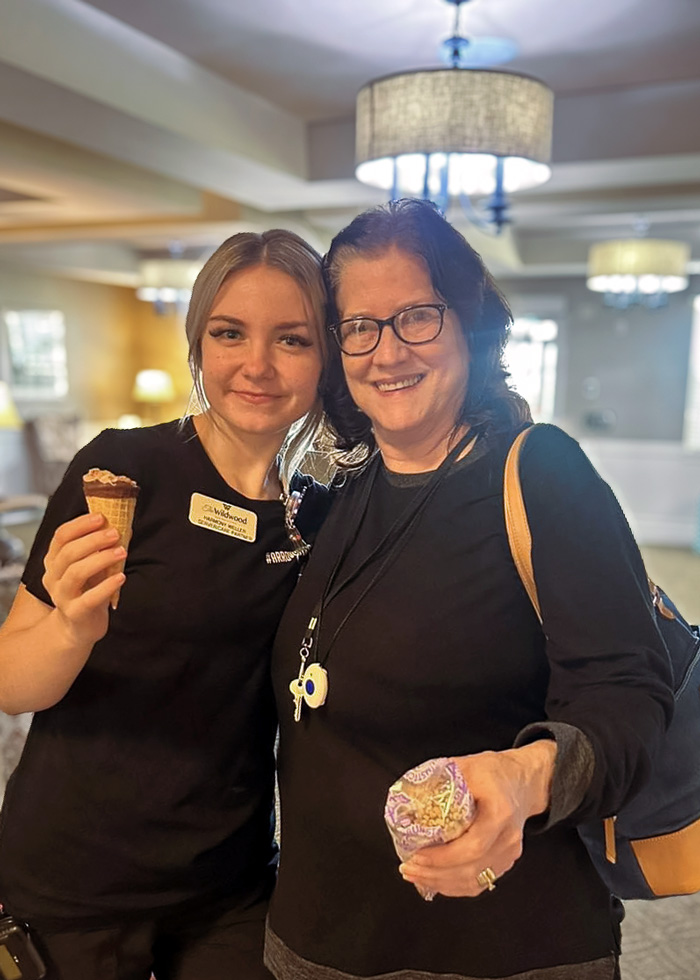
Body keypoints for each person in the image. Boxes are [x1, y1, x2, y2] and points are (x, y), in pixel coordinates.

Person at [265, 200, 674, 980]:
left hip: (500, 946)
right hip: (317, 938)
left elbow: (630, 695)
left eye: (416, 316)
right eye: (359, 325)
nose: (385, 351)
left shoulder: (540, 473)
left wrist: (526, 778)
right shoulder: (339, 491)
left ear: (471, 324)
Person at [0, 229, 331, 980]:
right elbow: (11, 682)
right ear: (199, 344)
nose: (257, 364)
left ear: (326, 360)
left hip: (231, 880)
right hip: (80, 873)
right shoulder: (123, 470)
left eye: (292, 339)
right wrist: (70, 630)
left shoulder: (323, 513)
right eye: (229, 333)